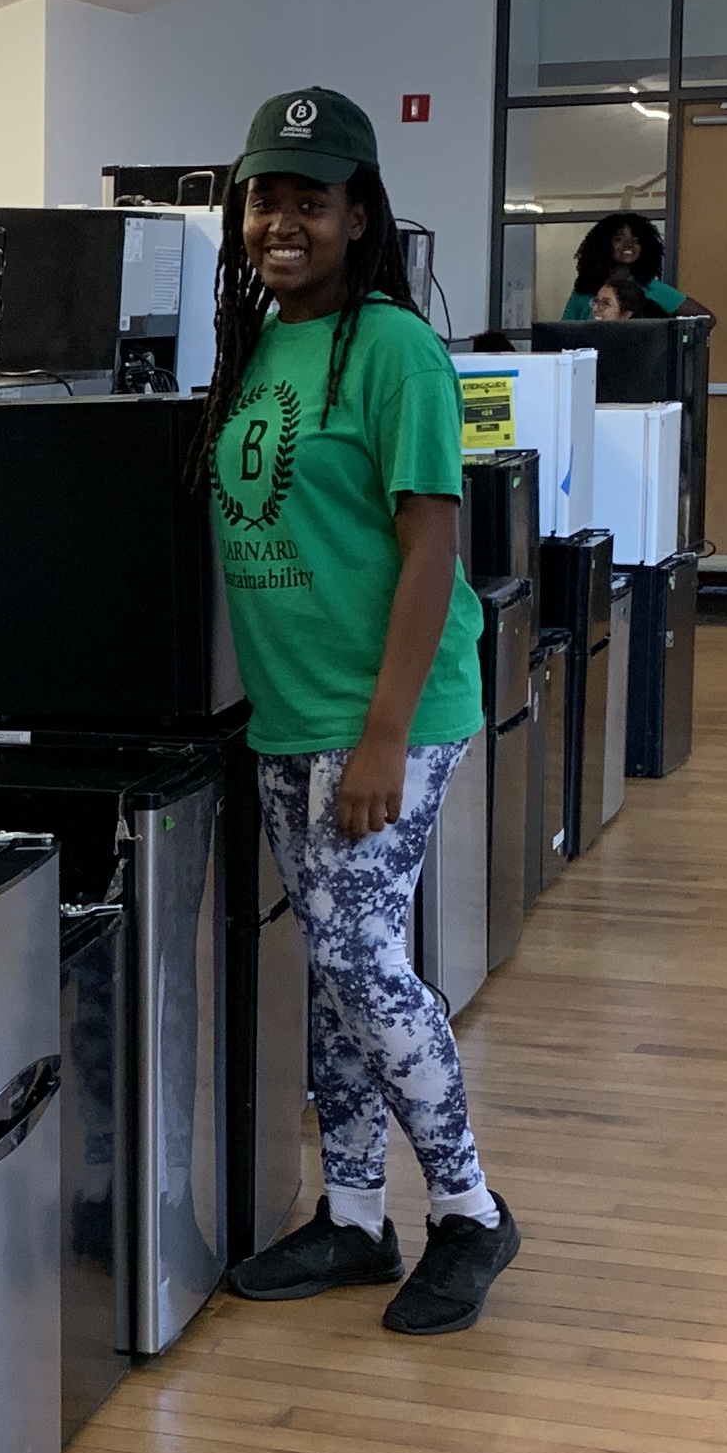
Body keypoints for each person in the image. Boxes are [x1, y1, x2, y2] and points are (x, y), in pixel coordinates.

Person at [200, 85, 517, 1335]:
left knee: (360, 961)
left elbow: (431, 549)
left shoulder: (394, 348)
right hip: (289, 714)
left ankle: (471, 1211)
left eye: (311, 200)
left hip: (389, 714)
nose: (284, 220)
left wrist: (383, 735)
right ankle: (350, 1217)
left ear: (360, 215)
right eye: (266, 196)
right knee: (335, 976)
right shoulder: (255, 347)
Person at [561, 210, 695, 321]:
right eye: (618, 239)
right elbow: (563, 333)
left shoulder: (651, 287)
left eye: (635, 240)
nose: (628, 245)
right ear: (601, 245)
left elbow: (705, 319)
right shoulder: (584, 290)